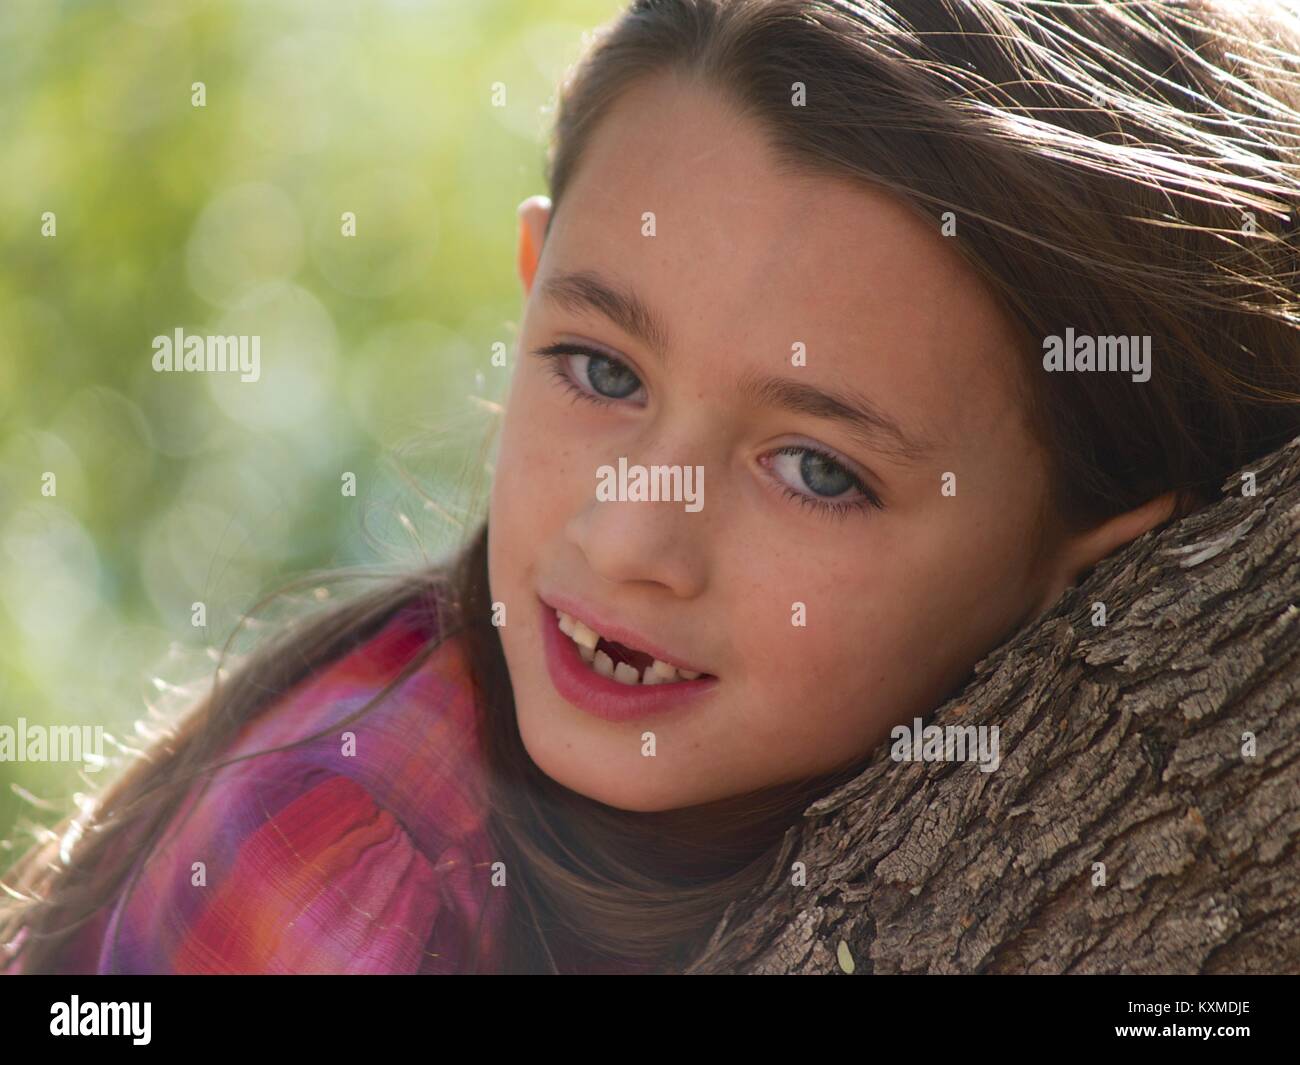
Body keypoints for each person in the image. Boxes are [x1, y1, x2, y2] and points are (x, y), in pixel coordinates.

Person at [4, 0, 1299, 974]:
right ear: (531, 279)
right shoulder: (353, 855)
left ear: (1097, 568)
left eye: (815, 469)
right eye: (600, 368)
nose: (629, 538)